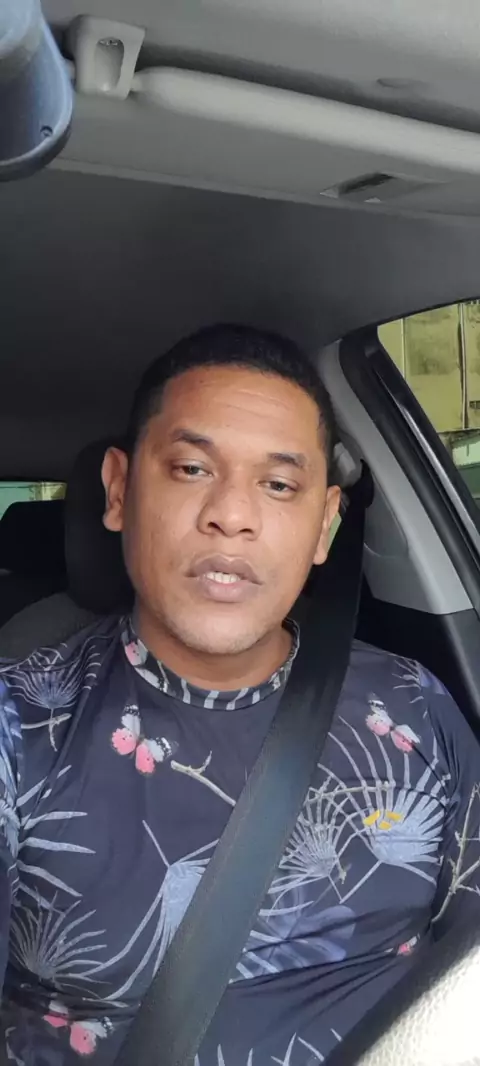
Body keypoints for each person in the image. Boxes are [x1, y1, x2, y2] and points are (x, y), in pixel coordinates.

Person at [0, 324, 479, 1066]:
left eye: (279, 484)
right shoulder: (20, 728)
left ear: (325, 526)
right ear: (120, 491)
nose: (232, 513)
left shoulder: (412, 704)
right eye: (192, 468)